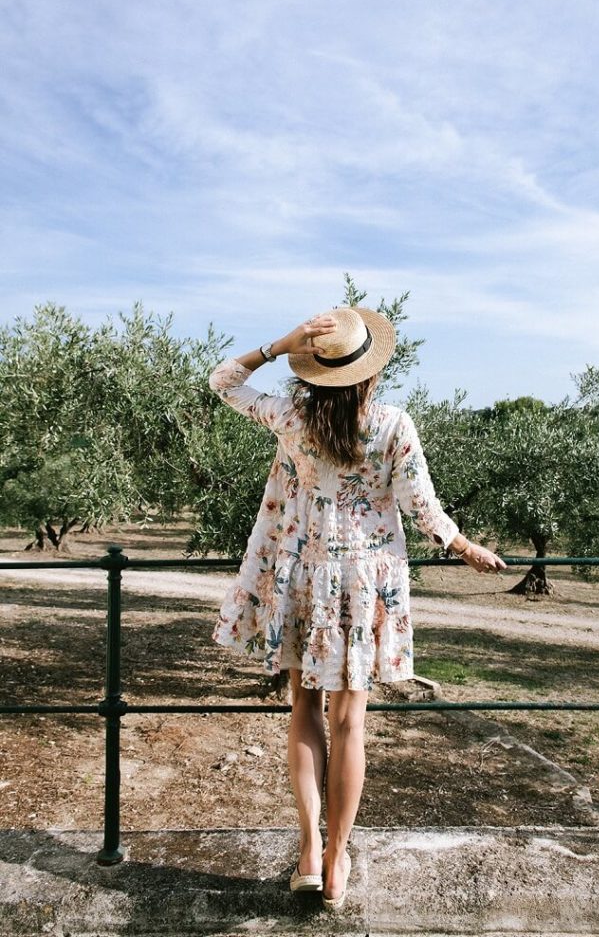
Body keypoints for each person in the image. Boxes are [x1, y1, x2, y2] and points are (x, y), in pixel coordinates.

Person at [208, 306, 507, 910]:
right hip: (366, 585)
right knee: (351, 724)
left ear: (316, 368)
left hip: (303, 578)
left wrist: (280, 344)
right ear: (370, 371)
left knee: (304, 709)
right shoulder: (393, 424)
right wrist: (462, 545)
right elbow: (422, 506)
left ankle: (307, 853)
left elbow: (223, 381)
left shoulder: (290, 415)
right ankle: (339, 857)